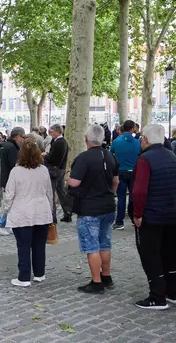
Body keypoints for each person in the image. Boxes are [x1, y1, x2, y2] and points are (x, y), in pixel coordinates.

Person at [131, 124, 176, 310]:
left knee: (150, 254)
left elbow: (139, 190)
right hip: (170, 214)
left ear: (146, 139)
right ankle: (173, 291)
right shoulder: (172, 156)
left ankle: (157, 296)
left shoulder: (145, 159)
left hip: (151, 216)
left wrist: (137, 214)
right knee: (169, 253)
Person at [67, 124, 119, 294]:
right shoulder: (110, 155)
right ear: (103, 138)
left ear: (86, 139)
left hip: (89, 208)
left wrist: (68, 177)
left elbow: (74, 183)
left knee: (92, 246)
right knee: (105, 243)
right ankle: (106, 276)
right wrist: (109, 193)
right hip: (108, 205)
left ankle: (96, 282)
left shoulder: (84, 158)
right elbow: (116, 182)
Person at [4, 138, 54, 287]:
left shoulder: (16, 171)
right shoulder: (43, 170)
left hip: (22, 211)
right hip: (41, 210)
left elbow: (9, 194)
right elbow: (49, 192)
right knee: (39, 244)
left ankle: (24, 276)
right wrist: (50, 209)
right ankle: (39, 273)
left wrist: (7, 209)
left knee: (23, 245)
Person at [110, 120, 141, 230]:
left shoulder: (116, 142)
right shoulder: (138, 142)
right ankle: (134, 218)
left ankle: (119, 222)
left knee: (121, 197)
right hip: (134, 172)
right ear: (133, 129)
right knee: (134, 196)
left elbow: (111, 155)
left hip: (120, 171)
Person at [44, 124, 70, 223]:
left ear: (57, 132)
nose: (50, 134)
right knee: (61, 192)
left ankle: (53, 217)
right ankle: (67, 213)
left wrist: (45, 155)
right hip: (60, 170)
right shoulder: (60, 141)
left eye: (51, 132)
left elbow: (53, 158)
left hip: (55, 170)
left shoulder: (59, 142)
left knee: (52, 193)